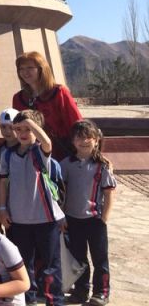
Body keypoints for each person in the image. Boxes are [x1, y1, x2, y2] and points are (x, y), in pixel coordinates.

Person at [0, 110, 65, 306]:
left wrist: (32, 123)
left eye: (28, 129)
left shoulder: (39, 151)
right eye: (18, 129)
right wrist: (2, 209)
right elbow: (2, 183)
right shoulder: (8, 155)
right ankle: (28, 299)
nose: (23, 133)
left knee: (51, 265)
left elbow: (47, 143)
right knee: (24, 264)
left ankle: (55, 301)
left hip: (45, 218)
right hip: (18, 219)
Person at [61, 120, 116, 306]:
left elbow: (109, 193)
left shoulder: (102, 166)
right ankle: (81, 291)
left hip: (94, 219)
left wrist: (104, 218)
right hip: (72, 219)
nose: (84, 141)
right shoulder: (65, 164)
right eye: (79, 137)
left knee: (100, 258)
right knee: (78, 258)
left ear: (96, 140)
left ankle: (102, 292)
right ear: (73, 141)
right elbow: (60, 192)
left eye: (88, 137)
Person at [12, 51, 83, 160]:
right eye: (21, 69)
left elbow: (77, 124)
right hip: (32, 157)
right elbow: (17, 128)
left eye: (30, 68)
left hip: (61, 154)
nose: (25, 72)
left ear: (41, 69)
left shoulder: (59, 93)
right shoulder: (19, 98)